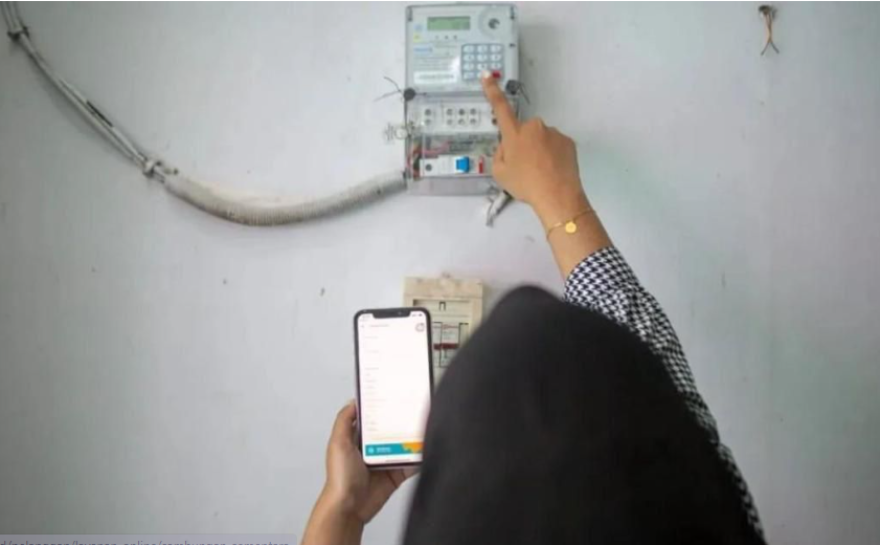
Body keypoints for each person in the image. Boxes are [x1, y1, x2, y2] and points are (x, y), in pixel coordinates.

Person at [301, 73, 766, 545]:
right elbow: (670, 425)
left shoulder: (704, 499)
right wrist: (557, 197)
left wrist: (344, 508)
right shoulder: (704, 506)